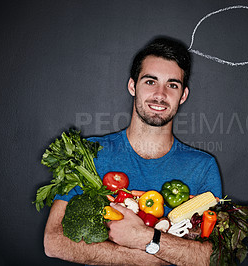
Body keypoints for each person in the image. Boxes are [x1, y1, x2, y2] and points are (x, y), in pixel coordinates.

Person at [43, 37, 222, 265]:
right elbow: (53, 241)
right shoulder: (90, 154)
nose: (160, 94)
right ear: (132, 86)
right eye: (150, 82)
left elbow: (213, 258)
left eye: (172, 85)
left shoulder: (202, 167)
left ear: (183, 95)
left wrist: (143, 236)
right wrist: (148, 257)